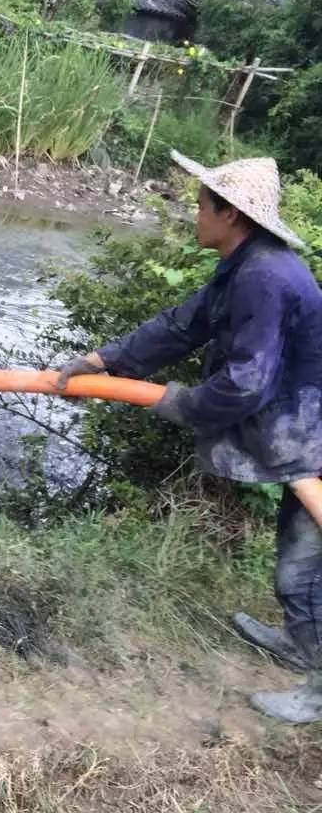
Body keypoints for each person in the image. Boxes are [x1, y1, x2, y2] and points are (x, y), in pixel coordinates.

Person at [57, 149, 322, 723]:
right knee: (296, 559)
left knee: (304, 562)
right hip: (296, 435)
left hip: (310, 439)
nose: (192, 214)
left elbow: (246, 383)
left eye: (201, 205)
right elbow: (183, 325)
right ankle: (301, 642)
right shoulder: (243, 266)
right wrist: (103, 359)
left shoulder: (266, 279)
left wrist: (184, 403)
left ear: (230, 215)